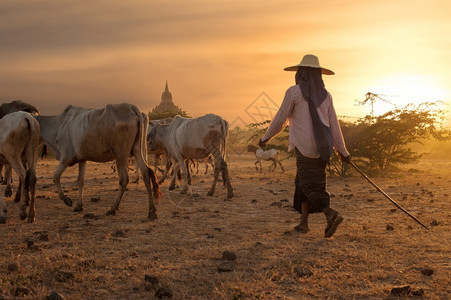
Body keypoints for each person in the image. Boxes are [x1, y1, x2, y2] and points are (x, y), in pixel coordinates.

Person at [259, 54, 350, 238]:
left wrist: (265, 138)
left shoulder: (293, 92)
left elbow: (280, 119)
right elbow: (334, 124)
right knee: (302, 182)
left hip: (304, 147)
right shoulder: (327, 96)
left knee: (309, 186)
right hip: (323, 148)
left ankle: (330, 213)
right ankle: (304, 223)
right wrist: (342, 151)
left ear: (300, 73)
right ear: (318, 75)